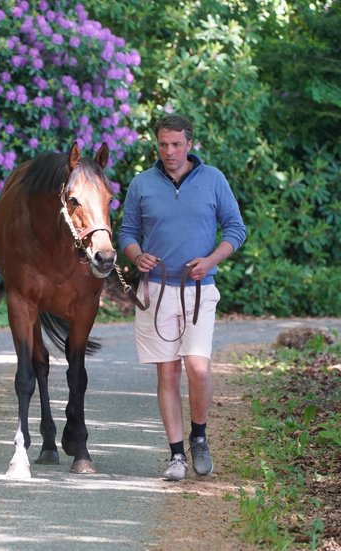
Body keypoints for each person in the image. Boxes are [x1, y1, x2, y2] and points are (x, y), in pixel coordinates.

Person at [118, 114, 247, 481]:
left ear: (189, 144)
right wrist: (136, 255)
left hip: (199, 289)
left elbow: (236, 229)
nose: (169, 151)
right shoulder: (142, 184)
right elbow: (127, 233)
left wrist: (211, 260)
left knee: (198, 367)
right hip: (156, 290)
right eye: (163, 144)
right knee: (168, 371)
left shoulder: (214, 180)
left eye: (176, 144)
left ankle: (199, 437)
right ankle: (176, 455)